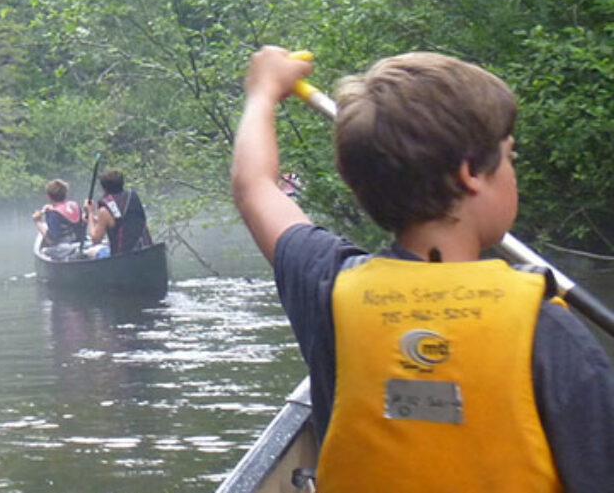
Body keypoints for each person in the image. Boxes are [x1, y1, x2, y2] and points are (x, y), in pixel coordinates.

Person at [230, 46, 614, 492]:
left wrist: (263, 93)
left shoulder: (327, 289)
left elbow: (254, 187)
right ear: (470, 173)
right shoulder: (549, 330)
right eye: (510, 157)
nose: (513, 170)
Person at [84, 169, 153, 257]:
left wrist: (90, 213)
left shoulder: (104, 211)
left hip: (122, 258)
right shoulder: (133, 197)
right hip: (146, 251)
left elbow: (95, 239)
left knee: (91, 252)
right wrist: (95, 219)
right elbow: (123, 220)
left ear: (104, 189)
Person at [33, 179, 87, 260]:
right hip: (81, 243)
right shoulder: (74, 205)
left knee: (44, 251)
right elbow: (63, 209)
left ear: (48, 196)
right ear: (65, 194)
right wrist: (51, 209)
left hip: (65, 249)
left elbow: (51, 241)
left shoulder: (54, 214)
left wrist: (38, 222)